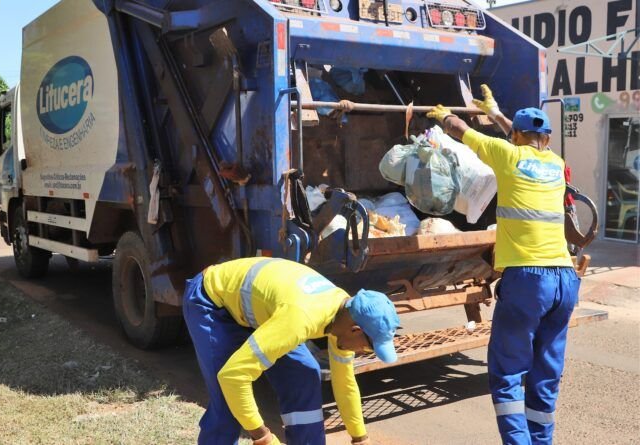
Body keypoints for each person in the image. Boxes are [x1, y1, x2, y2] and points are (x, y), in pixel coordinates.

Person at [428, 86, 580, 445]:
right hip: (565, 280)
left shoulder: (505, 155)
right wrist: (495, 111)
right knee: (545, 374)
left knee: (508, 372)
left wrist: (440, 116)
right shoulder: (556, 164)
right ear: (546, 138)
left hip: (529, 281)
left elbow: (460, 132)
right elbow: (523, 137)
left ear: (513, 137)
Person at [182, 257, 400, 445]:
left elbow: (345, 383)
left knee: (304, 375)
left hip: (263, 312)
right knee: (228, 400)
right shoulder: (301, 318)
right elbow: (232, 376)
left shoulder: (345, 312)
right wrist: (262, 436)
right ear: (356, 330)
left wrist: (360, 437)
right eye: (368, 347)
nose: (363, 352)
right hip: (211, 302)